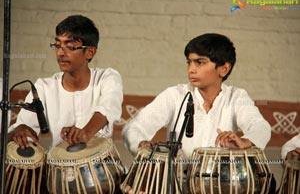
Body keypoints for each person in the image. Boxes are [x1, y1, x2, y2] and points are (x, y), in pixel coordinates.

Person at [122, 33, 271, 158]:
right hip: (177, 182)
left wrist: (245, 141)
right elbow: (134, 127)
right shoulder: (174, 96)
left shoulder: (236, 97)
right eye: (189, 62)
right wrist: (141, 144)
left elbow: (260, 127)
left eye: (200, 63)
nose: (191, 70)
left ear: (224, 69)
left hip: (219, 184)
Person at [8, 15, 123, 150]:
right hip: (58, 166)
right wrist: (20, 130)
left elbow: (108, 108)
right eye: (57, 45)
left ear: (90, 52)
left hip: (101, 168)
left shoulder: (107, 78)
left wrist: (85, 132)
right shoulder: (43, 88)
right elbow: (23, 127)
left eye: (70, 47)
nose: (60, 53)